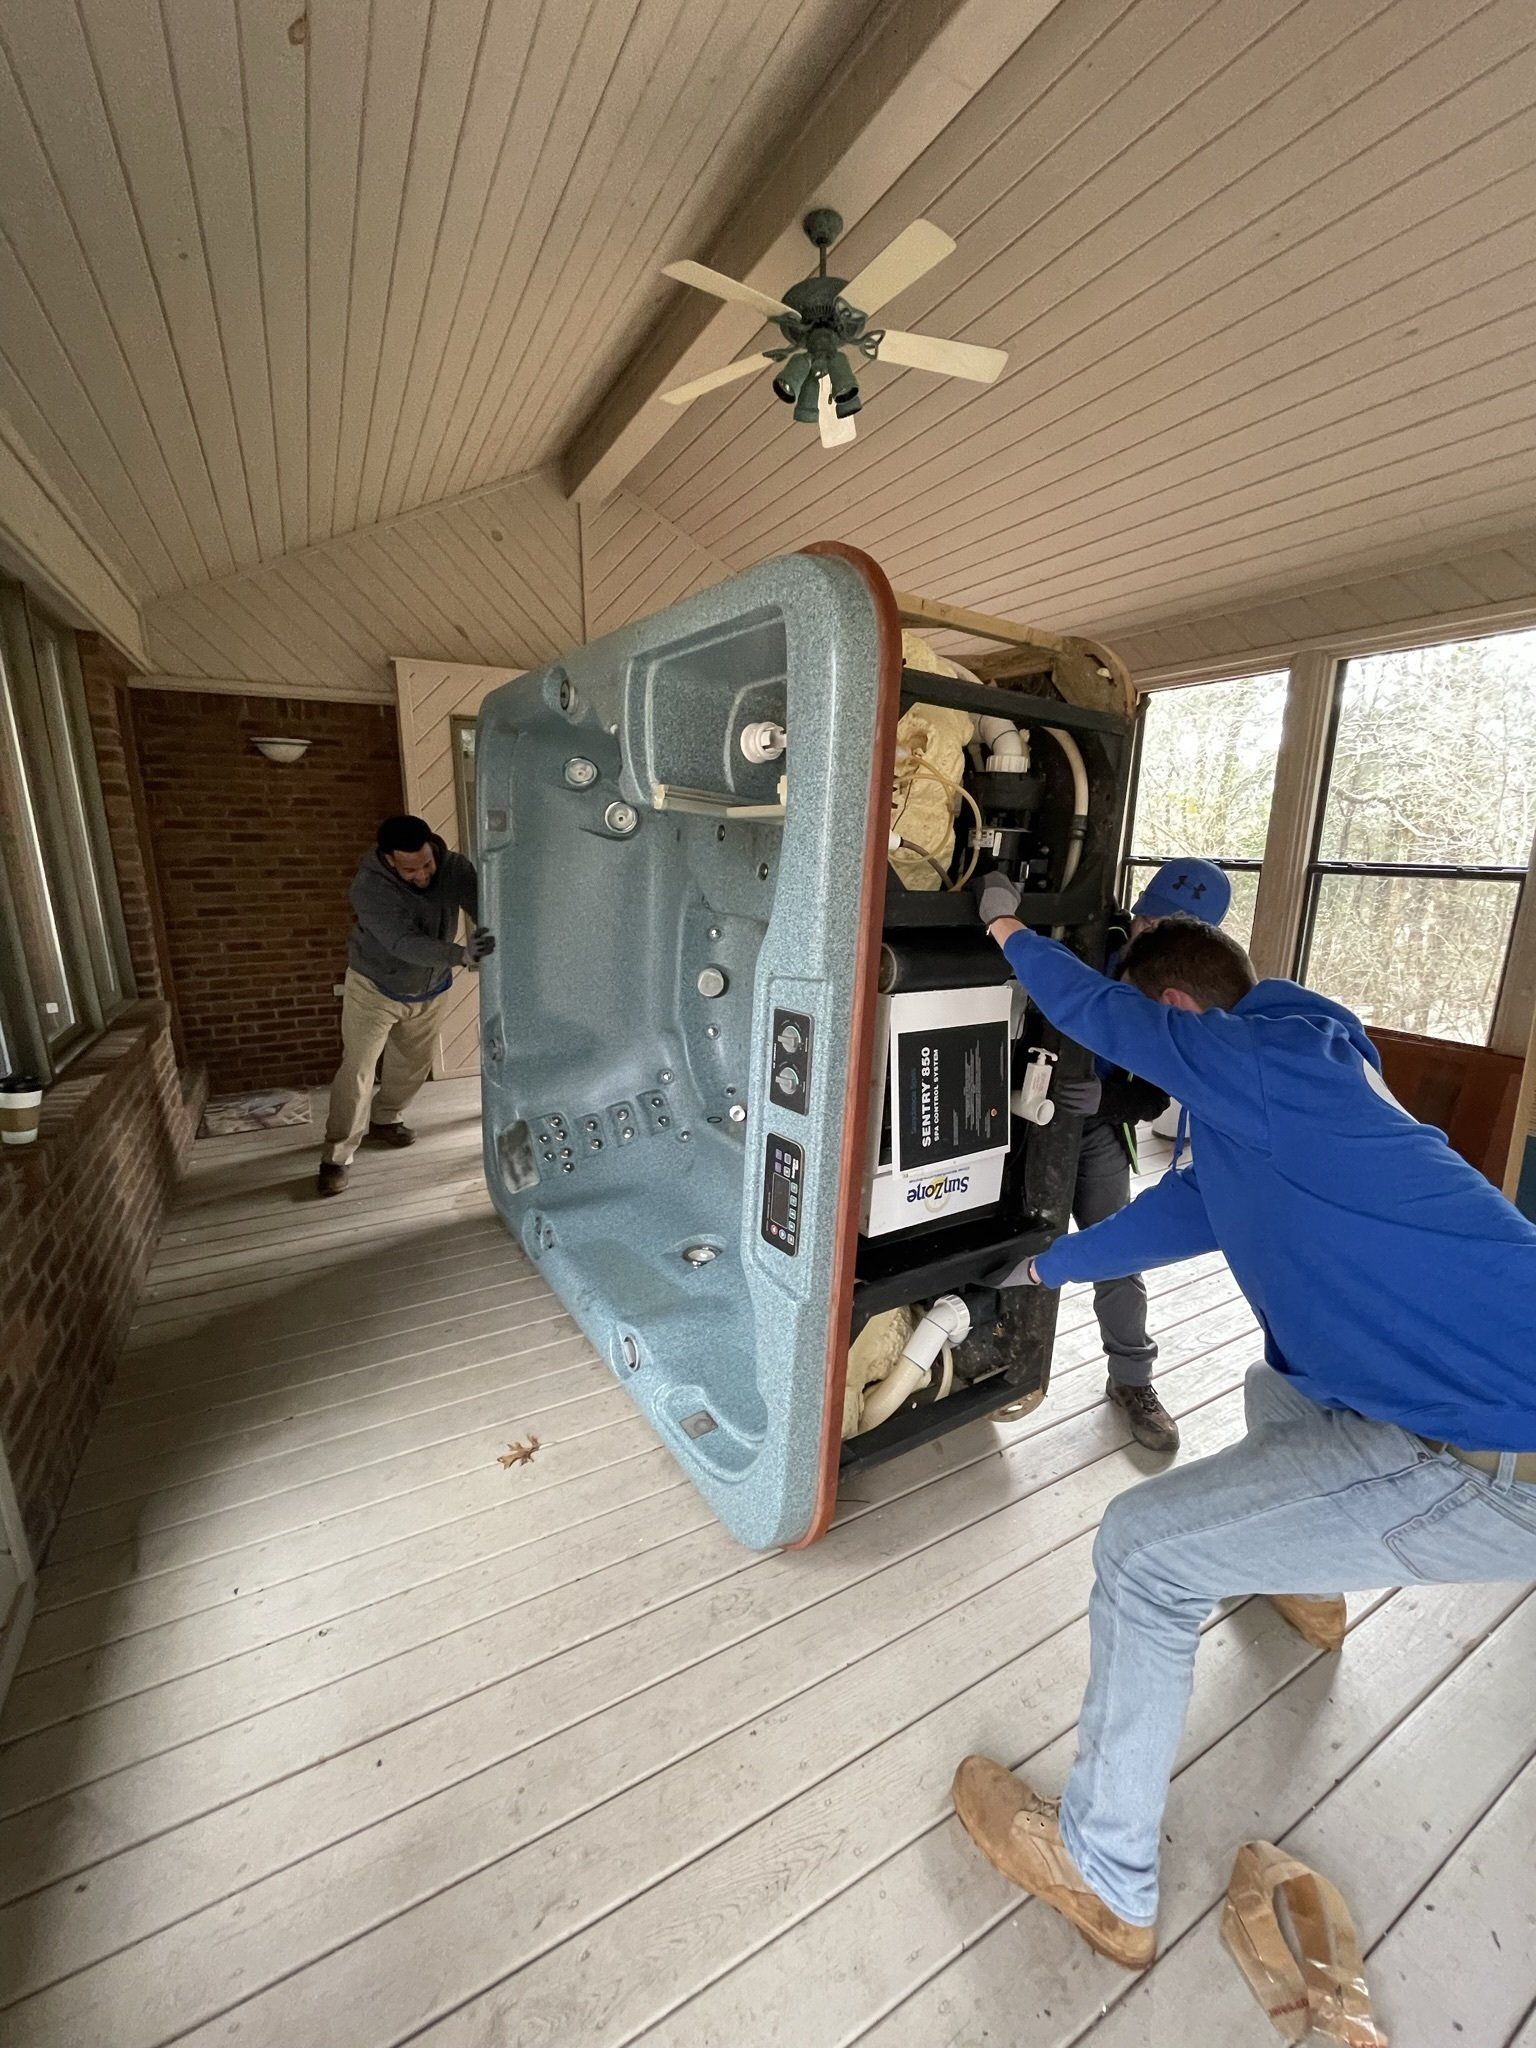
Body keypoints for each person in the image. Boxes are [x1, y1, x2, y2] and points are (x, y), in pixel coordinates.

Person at [953, 887, 1536, 1971]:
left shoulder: (1272, 1062)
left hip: (1501, 1455)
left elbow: (1106, 1014)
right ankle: (1306, 1580)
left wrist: (1004, 927)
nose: (1146, 1064)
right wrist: (1035, 1265)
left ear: (1182, 1012)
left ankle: (1105, 1874)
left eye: (1158, 1034)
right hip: (1474, 1397)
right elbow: (1168, 1218)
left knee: (1144, 1552)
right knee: (1279, 1385)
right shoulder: (1283, 1098)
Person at [1055, 857, 1232, 1455]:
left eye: (1169, 932)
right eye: (1148, 920)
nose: (1150, 936)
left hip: (1094, 1131)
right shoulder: (1082, 939)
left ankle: (1132, 1382)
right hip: (1015, 1122)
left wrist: (1110, 1098)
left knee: (1116, 1250)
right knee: (1013, 1242)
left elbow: (1160, 1088)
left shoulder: (1190, 994)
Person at [317, 815, 494, 1197]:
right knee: (359, 1070)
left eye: (427, 863)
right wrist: (460, 953)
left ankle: (386, 1120)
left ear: (433, 846)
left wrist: (491, 930)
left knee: (412, 1064)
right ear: (389, 860)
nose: (422, 874)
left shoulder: (454, 868)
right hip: (374, 987)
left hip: (430, 988)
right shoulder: (369, 888)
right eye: (410, 869)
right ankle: (336, 1157)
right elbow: (402, 942)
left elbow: (486, 904)